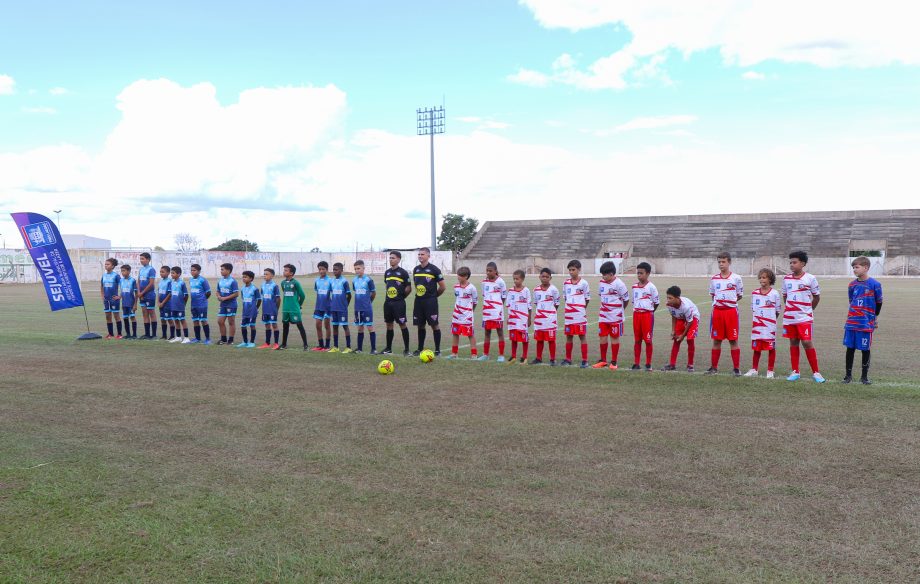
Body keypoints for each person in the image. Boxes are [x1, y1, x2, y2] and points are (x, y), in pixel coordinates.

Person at [782, 251, 825, 382]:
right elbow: (785, 296)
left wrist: (809, 310)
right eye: (790, 262)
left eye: (794, 262)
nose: (791, 265)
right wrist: (791, 309)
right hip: (790, 317)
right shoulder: (786, 279)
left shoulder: (810, 278)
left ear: (803, 264)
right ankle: (795, 371)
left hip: (804, 317)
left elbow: (816, 297)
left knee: (807, 342)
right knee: (793, 342)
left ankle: (816, 373)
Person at [843, 256, 883, 385]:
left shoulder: (875, 284)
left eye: (857, 267)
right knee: (850, 349)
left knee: (865, 349)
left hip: (866, 323)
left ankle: (864, 377)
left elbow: (879, 302)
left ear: (866, 268)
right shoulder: (852, 285)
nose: (854, 269)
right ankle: (848, 375)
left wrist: (874, 318)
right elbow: (851, 302)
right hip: (852, 323)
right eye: (853, 267)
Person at [707, 252, 744, 377]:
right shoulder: (714, 279)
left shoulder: (736, 278)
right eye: (719, 262)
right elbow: (713, 295)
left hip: (731, 312)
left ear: (729, 262)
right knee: (716, 340)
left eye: (723, 262)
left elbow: (739, 295)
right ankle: (714, 367)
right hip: (717, 312)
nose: (721, 264)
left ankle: (736, 368)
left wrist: (728, 303)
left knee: (733, 340)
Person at [744, 268, 781, 378]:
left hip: (769, 326)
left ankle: (770, 370)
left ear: (770, 279)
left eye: (764, 277)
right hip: (757, 326)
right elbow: (753, 308)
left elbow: (777, 311)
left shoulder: (774, 294)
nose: (761, 279)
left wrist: (769, 320)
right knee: (756, 348)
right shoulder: (754, 293)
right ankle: (754, 369)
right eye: (760, 277)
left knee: (771, 348)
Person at [593, 260, 629, 370]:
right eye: (602, 274)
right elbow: (602, 295)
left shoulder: (619, 284)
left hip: (615, 316)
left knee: (614, 338)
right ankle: (603, 360)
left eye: (605, 274)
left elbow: (626, 300)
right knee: (602, 337)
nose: (603, 277)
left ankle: (614, 362)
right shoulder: (601, 283)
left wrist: (619, 310)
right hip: (603, 316)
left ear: (612, 274)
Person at [412, 247, 446, 356]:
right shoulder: (416, 270)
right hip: (418, 301)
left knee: (434, 325)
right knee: (420, 325)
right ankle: (420, 348)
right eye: (419, 254)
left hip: (430, 302)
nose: (420, 256)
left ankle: (437, 350)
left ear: (428, 256)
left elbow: (442, 287)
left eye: (422, 254)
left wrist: (434, 296)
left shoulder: (434, 269)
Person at [382, 251, 412, 356]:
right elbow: (387, 284)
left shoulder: (403, 272)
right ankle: (388, 348)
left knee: (402, 324)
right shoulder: (387, 272)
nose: (391, 259)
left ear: (399, 259)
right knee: (389, 325)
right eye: (390, 258)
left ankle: (407, 349)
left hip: (398, 303)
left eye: (393, 258)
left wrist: (401, 297)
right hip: (388, 303)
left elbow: (409, 287)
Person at [663, 286, 699, 372]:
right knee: (676, 340)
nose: (668, 300)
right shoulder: (669, 305)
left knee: (690, 339)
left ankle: (690, 365)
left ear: (677, 298)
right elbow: (674, 315)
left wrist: (683, 336)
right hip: (680, 318)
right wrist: (673, 330)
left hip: (692, 318)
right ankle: (672, 364)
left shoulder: (685, 306)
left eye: (670, 298)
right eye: (667, 297)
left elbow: (689, 322)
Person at [562, 260, 591, 368]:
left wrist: (581, 309)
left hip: (580, 315)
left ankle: (585, 360)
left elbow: (587, 299)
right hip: (569, 315)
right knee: (569, 336)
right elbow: (565, 297)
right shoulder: (566, 283)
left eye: (573, 270)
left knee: (582, 336)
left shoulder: (584, 283)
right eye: (569, 270)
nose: (571, 272)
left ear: (579, 270)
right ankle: (568, 359)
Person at [631, 262, 659, 371]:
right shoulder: (634, 287)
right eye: (637, 273)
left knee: (648, 340)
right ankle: (636, 363)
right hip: (636, 315)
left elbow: (656, 302)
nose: (639, 275)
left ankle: (648, 363)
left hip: (647, 315)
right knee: (637, 340)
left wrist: (650, 312)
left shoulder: (651, 287)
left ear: (648, 274)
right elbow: (634, 301)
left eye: (641, 273)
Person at [530, 267, 560, 366]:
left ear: (550, 278)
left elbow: (557, 304)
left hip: (550, 319)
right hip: (539, 319)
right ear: (539, 277)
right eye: (543, 276)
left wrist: (550, 313)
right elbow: (536, 303)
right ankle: (538, 358)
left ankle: (552, 359)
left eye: (547, 277)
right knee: (539, 340)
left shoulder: (554, 290)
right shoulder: (536, 290)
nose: (545, 278)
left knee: (551, 340)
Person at [479, 262, 508, 362]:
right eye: (487, 270)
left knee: (500, 332)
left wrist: (498, 307)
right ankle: (485, 354)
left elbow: (503, 297)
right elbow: (485, 295)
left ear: (495, 271)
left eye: (490, 271)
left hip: (497, 312)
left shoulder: (501, 282)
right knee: (487, 333)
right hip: (487, 312)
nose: (488, 272)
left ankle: (501, 355)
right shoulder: (483, 282)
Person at [448, 267, 479, 359]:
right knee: (455, 333)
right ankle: (454, 353)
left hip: (467, 315)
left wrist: (470, 311)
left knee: (470, 334)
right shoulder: (456, 287)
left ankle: (474, 354)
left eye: (460, 276)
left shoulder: (472, 288)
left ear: (466, 276)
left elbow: (475, 302)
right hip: (457, 315)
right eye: (458, 275)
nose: (458, 277)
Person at [279, 263, 309, 350]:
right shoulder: (283, 283)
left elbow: (302, 296)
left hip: (294, 309)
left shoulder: (295, 283)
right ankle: (284, 344)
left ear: (291, 273)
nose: (284, 272)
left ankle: (305, 345)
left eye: (286, 270)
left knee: (300, 325)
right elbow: (285, 293)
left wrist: (298, 305)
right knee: (285, 326)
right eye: (284, 270)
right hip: (285, 309)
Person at [505, 269, 532, 364]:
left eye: (517, 279)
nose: (515, 281)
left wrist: (529, 319)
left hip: (522, 319)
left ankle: (524, 357)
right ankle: (513, 356)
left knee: (524, 338)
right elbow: (508, 305)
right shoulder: (511, 291)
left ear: (522, 279)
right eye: (514, 279)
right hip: (513, 319)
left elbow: (529, 307)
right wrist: (509, 317)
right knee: (514, 338)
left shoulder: (526, 291)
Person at [352, 260, 377, 354]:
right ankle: (359, 349)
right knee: (360, 328)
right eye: (355, 269)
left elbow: (373, 293)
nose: (357, 270)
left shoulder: (368, 280)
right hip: (357, 308)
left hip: (367, 308)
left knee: (370, 327)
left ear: (363, 268)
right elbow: (356, 291)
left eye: (358, 268)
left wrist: (369, 302)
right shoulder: (354, 280)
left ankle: (373, 349)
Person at [216, 263, 240, 345]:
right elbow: (217, 290)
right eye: (221, 269)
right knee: (220, 321)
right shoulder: (220, 281)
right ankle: (223, 339)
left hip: (231, 304)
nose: (221, 271)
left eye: (222, 269)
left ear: (228, 270)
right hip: (223, 304)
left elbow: (236, 294)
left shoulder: (233, 281)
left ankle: (231, 340)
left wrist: (225, 298)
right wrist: (218, 296)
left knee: (231, 322)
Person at [188, 263, 212, 344]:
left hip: (202, 304)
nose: (192, 272)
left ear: (199, 271)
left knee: (203, 321)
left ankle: (208, 339)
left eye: (194, 270)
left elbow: (208, 292)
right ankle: (197, 338)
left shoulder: (203, 280)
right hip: (193, 304)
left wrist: (203, 300)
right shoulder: (190, 280)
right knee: (195, 321)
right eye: (191, 270)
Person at [237, 270, 262, 348]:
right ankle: (244, 341)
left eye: (245, 277)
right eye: (243, 277)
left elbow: (259, 299)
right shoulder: (242, 289)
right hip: (245, 311)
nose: (244, 278)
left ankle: (252, 342)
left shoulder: (255, 289)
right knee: (243, 326)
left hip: (252, 311)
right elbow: (243, 298)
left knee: (252, 325)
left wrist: (256, 308)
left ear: (251, 278)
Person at [166, 266, 191, 344]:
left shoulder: (182, 283)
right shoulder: (171, 282)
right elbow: (170, 294)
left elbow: (186, 295)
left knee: (182, 320)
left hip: (180, 306)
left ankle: (186, 337)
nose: (171, 275)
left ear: (179, 274)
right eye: (171, 273)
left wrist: (183, 304)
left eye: (173, 273)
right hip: (173, 305)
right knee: (176, 320)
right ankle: (178, 337)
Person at [258, 268, 281, 349]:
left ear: (272, 276)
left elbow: (278, 299)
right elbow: (262, 297)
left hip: (272, 310)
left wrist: (276, 309)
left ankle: (276, 343)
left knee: (274, 325)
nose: (265, 275)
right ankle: (267, 343)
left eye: (267, 274)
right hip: (265, 309)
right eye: (264, 274)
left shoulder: (275, 286)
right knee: (267, 325)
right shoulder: (262, 285)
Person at [100, 257, 123, 339]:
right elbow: (102, 287)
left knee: (116, 316)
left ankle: (119, 334)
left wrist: (120, 296)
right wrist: (102, 296)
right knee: (108, 316)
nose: (106, 266)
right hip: (106, 300)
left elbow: (123, 286)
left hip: (114, 300)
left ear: (113, 266)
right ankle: (110, 334)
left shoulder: (116, 276)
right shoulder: (104, 276)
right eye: (105, 264)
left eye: (108, 264)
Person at [312, 261, 332, 351]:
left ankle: (327, 346)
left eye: (323, 269)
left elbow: (333, 294)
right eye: (319, 269)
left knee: (327, 326)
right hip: (319, 306)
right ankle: (321, 345)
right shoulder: (317, 281)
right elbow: (318, 293)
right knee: (318, 325)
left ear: (327, 270)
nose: (321, 271)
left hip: (327, 307)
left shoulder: (330, 281)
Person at [137, 252, 158, 339]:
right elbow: (138, 282)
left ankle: (153, 335)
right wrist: (139, 292)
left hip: (149, 295)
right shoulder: (141, 270)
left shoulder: (151, 269)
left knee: (151, 313)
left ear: (148, 259)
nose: (141, 260)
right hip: (141, 295)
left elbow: (151, 283)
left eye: (143, 259)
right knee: (144, 314)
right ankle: (147, 334)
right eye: (140, 259)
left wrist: (142, 292)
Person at [118, 264, 138, 339]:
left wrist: (135, 304)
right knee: (125, 318)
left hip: (131, 303)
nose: (122, 273)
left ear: (129, 271)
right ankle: (128, 334)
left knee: (132, 317)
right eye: (121, 271)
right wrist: (120, 298)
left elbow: (136, 293)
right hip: (124, 303)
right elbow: (122, 291)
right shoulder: (121, 280)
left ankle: (134, 335)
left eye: (124, 271)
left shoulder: (133, 280)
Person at [156, 265, 172, 340]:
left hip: (167, 304)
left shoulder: (169, 282)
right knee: (162, 319)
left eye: (163, 272)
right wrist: (158, 301)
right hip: (161, 304)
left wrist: (163, 303)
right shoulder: (161, 281)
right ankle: (164, 335)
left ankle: (172, 336)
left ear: (168, 273)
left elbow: (169, 294)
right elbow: (159, 292)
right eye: (160, 272)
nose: (161, 273)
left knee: (169, 319)